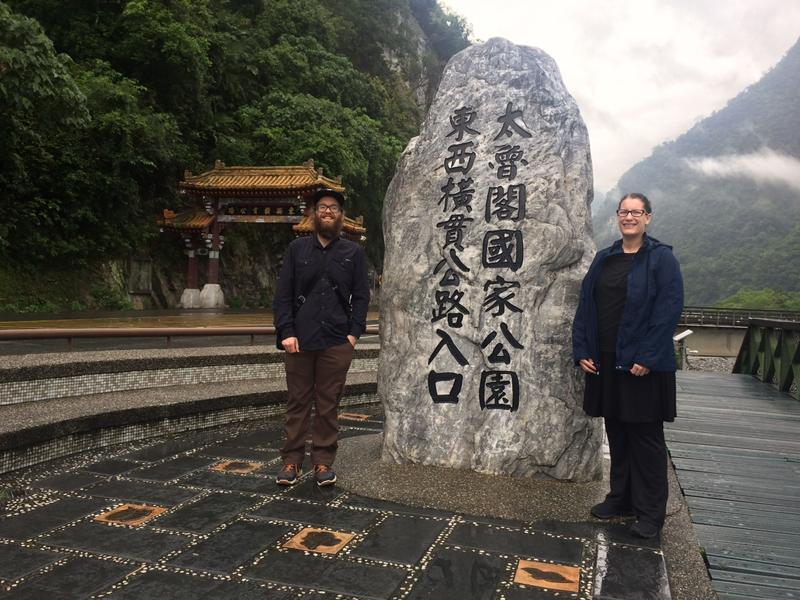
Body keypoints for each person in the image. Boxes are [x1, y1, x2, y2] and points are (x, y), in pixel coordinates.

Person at [572, 192, 683, 538]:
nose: (629, 217)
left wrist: (647, 356)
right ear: (618, 217)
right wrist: (581, 349)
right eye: (624, 212)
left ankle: (650, 513)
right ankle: (620, 497)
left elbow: (668, 309)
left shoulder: (661, 259)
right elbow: (586, 305)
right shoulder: (605, 258)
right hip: (605, 359)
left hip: (641, 364)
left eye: (636, 212)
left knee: (645, 437)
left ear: (648, 217)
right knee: (617, 431)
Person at [273, 188, 370, 487]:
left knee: (328, 404)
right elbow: (283, 296)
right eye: (322, 207)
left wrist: (353, 335)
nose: (328, 212)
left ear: (341, 215)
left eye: (334, 208)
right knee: (298, 403)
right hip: (299, 340)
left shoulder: (353, 253)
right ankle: (291, 461)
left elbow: (362, 297)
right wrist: (286, 332)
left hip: (336, 341)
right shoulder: (297, 250)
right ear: (314, 213)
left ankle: (323, 462)